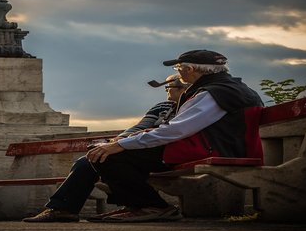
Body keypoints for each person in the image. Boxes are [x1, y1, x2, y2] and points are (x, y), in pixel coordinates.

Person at [84, 49, 264, 222]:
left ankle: (153, 206)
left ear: (190, 69)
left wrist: (120, 145)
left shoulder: (212, 93)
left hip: (214, 150)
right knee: (112, 153)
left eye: (178, 69)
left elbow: (175, 130)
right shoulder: (229, 88)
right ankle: (137, 205)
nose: (178, 73)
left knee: (105, 156)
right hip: (223, 147)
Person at [22, 75, 188, 222]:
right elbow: (138, 128)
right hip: (139, 150)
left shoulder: (190, 108)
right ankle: (62, 209)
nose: (166, 91)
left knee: (107, 158)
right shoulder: (162, 107)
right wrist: (115, 141)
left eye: (170, 87)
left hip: (164, 153)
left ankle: (149, 206)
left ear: (185, 88)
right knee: (90, 158)